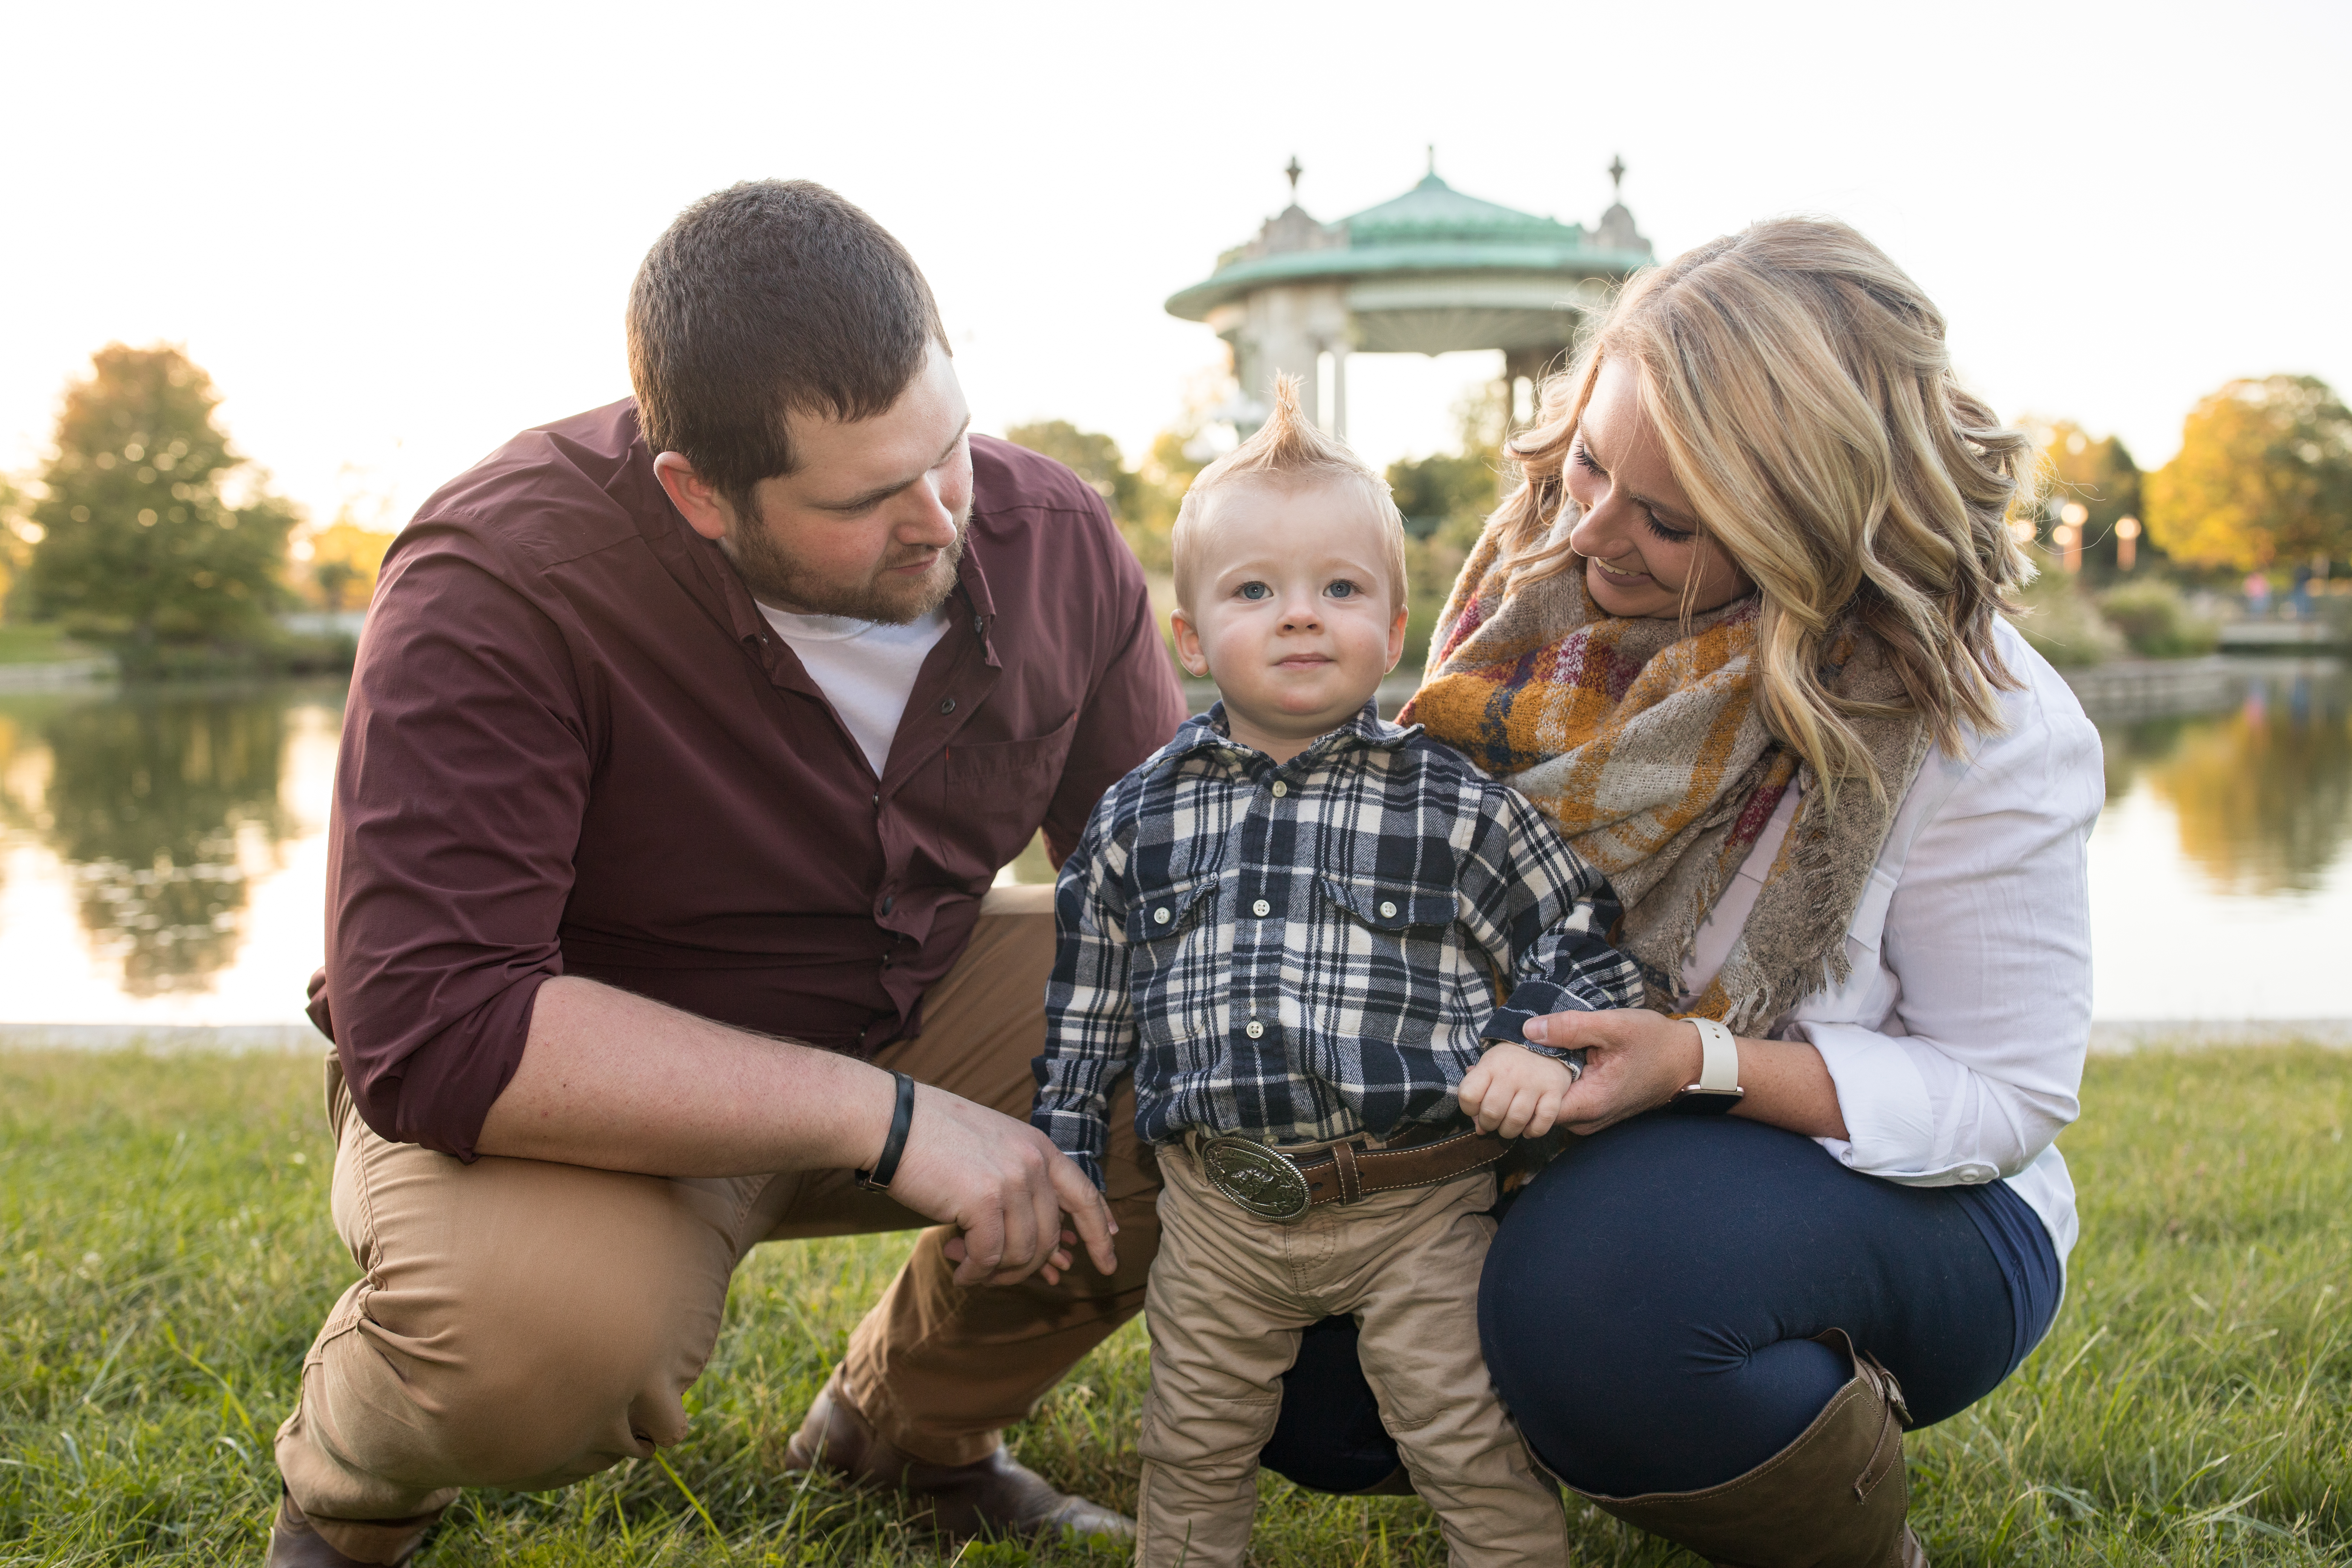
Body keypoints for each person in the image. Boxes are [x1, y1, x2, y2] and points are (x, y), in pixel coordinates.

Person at [265, 180, 1188, 1565]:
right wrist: (879, 1119)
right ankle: (348, 1513)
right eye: (869, 499)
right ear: (699, 494)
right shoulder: (498, 579)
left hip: (908, 1011)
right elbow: (437, 1024)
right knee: (539, 1344)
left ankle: (908, 1431)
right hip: (576, 1097)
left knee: (1218, 1041)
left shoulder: (1051, 534)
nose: (942, 519)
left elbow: (1166, 893)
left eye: (951, 450)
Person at [1261, 219, 2102, 1568]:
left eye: (1668, 519)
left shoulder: (1980, 724)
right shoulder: (1527, 603)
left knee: (1602, 1297)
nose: (1591, 531)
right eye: (1590, 463)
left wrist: (1699, 1063)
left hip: (1924, 1197)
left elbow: (2004, 1097)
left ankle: (1821, 1511)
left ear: (1809, 523)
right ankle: (1615, 1412)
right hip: (1579, 1135)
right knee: (1305, 1367)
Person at [1032, 378, 1644, 1566]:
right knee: (1193, 1442)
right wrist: (1062, 1151)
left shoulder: (1453, 805)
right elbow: (1088, 1007)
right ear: (1193, 637)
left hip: (1418, 1201)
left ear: (1397, 622)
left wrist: (1532, 1036)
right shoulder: (1137, 819)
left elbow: (1585, 926)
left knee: (1465, 1437)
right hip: (1220, 1206)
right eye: (1257, 592)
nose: (1302, 617)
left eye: (1340, 590)